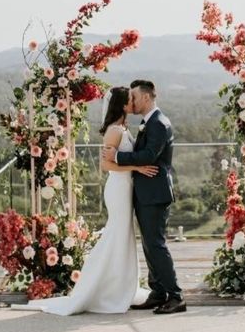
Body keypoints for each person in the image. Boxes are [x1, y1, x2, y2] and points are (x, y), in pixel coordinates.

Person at [11, 86, 156, 315]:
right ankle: (103, 287)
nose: (133, 102)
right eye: (129, 99)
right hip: (118, 188)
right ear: (122, 105)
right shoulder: (114, 131)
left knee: (123, 235)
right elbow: (106, 165)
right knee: (116, 234)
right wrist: (137, 166)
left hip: (126, 187)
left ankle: (122, 285)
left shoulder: (122, 128)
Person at [103, 79, 186, 314]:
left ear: (147, 97)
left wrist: (117, 157)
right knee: (149, 245)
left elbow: (149, 155)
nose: (133, 102)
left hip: (155, 193)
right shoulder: (147, 122)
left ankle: (176, 296)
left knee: (156, 245)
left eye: (135, 97)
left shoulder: (159, 123)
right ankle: (158, 292)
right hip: (145, 192)